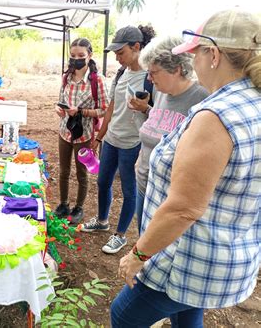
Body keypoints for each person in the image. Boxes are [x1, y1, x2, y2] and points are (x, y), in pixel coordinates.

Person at [112, 9, 261, 327]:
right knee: (185, 312)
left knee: (124, 315)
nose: (193, 64)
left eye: (196, 54)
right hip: (225, 250)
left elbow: (183, 208)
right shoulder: (251, 102)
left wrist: (136, 256)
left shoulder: (215, 114)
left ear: (215, 55)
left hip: (190, 253)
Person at [81, 25, 156, 255]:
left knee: (129, 189)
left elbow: (159, 113)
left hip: (133, 143)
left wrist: (146, 108)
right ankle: (103, 221)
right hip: (113, 139)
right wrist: (100, 136)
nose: (117, 57)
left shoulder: (151, 77)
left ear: (137, 47)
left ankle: (121, 235)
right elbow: (112, 105)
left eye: (120, 52)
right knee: (103, 181)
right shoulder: (122, 73)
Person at [132, 36, 209, 233]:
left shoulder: (202, 98)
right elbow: (159, 125)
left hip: (166, 196)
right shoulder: (161, 93)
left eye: (153, 72)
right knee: (143, 237)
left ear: (176, 69)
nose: (149, 78)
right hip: (143, 185)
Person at [54, 38, 106, 224]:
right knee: (64, 170)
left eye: (81, 56)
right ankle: (63, 204)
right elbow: (60, 99)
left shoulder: (97, 81)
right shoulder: (66, 77)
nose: (76, 59)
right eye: (73, 56)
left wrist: (82, 111)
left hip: (84, 133)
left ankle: (78, 207)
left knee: (81, 173)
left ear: (89, 56)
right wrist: (58, 109)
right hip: (65, 131)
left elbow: (104, 109)